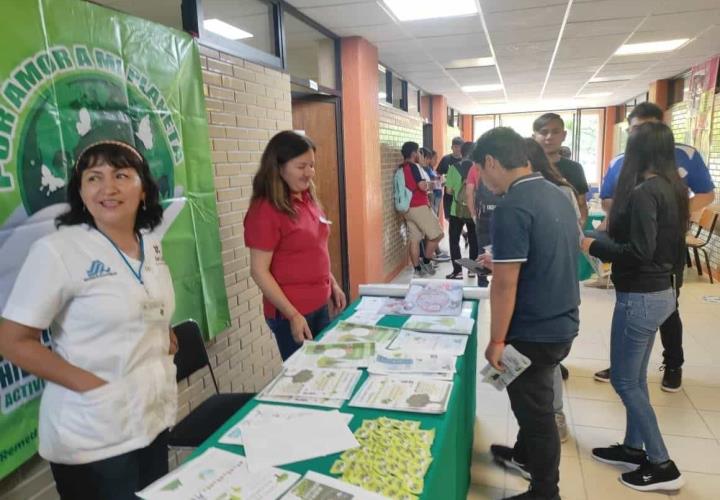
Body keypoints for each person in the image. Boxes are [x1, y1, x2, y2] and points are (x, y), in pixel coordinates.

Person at [0, 140, 178, 500]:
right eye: (93, 177)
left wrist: (162, 332)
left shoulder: (150, 242)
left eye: (121, 175)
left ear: (143, 188)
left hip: (151, 418)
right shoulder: (58, 251)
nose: (107, 188)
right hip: (94, 434)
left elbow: (142, 300)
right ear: (80, 192)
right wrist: (91, 386)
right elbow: (12, 340)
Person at [581, 122, 687, 492]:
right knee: (636, 379)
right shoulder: (673, 188)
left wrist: (592, 246)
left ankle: (661, 463)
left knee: (625, 382)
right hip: (661, 294)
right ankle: (633, 448)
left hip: (641, 297)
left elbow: (640, 252)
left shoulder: (645, 192)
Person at [475, 128, 579, 500]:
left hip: (533, 329)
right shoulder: (555, 193)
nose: (483, 183)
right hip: (562, 319)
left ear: (490, 162)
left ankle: (545, 492)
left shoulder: (512, 205)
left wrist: (497, 340)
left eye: (482, 173)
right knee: (530, 400)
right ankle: (523, 454)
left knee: (536, 415)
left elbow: (505, 284)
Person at [593, 102, 716, 391]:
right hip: (630, 244)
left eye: (647, 128)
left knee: (667, 307)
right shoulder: (621, 160)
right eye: (636, 129)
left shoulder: (685, 156)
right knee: (630, 306)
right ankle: (625, 364)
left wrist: (673, 213)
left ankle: (673, 364)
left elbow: (707, 193)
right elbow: (608, 198)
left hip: (666, 247)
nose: (641, 134)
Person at [244, 131, 346, 361]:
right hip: (292, 311)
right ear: (279, 168)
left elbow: (314, 249)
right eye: (301, 167)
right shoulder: (265, 210)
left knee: (327, 369)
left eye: (311, 165)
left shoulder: (306, 198)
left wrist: (332, 283)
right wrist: (293, 315)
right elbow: (259, 271)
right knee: (308, 378)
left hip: (320, 303)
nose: (309, 172)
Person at [525, 138, 581, 444]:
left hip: (545, 298)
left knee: (542, 365)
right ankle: (544, 427)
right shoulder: (561, 193)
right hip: (561, 292)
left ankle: (552, 423)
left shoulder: (545, 195)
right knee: (545, 364)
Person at [395, 141, 443, 277]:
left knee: (415, 239)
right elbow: (422, 186)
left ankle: (417, 269)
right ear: (413, 153)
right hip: (418, 206)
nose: (419, 154)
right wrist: (434, 185)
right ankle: (426, 262)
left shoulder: (402, 168)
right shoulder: (414, 167)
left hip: (407, 209)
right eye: (418, 152)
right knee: (438, 234)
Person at [533, 113, 589, 225]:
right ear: (534, 137)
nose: (549, 137)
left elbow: (582, 205)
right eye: (544, 132)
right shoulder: (525, 167)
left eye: (555, 132)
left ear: (563, 135)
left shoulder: (575, 168)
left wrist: (577, 232)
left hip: (567, 231)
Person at [445, 141, 479, 279]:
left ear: (462, 152)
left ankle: (457, 271)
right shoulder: (478, 168)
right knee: (474, 240)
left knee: (454, 241)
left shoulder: (453, 168)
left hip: (456, 211)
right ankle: (472, 270)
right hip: (473, 210)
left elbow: (448, 191)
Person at [466, 161, 501, 287]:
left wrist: (473, 214)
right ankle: (500, 282)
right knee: (502, 250)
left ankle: (482, 284)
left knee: (482, 251)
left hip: (483, 217)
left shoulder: (474, 168)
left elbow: (469, 192)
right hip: (502, 215)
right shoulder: (502, 165)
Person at [437, 136, 465, 221]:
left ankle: (462, 232)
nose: (458, 149)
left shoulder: (466, 160)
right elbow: (438, 174)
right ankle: (462, 233)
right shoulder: (446, 159)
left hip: (462, 194)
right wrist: (441, 180)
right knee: (449, 217)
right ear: (452, 147)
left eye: (460, 147)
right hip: (449, 194)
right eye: (455, 147)